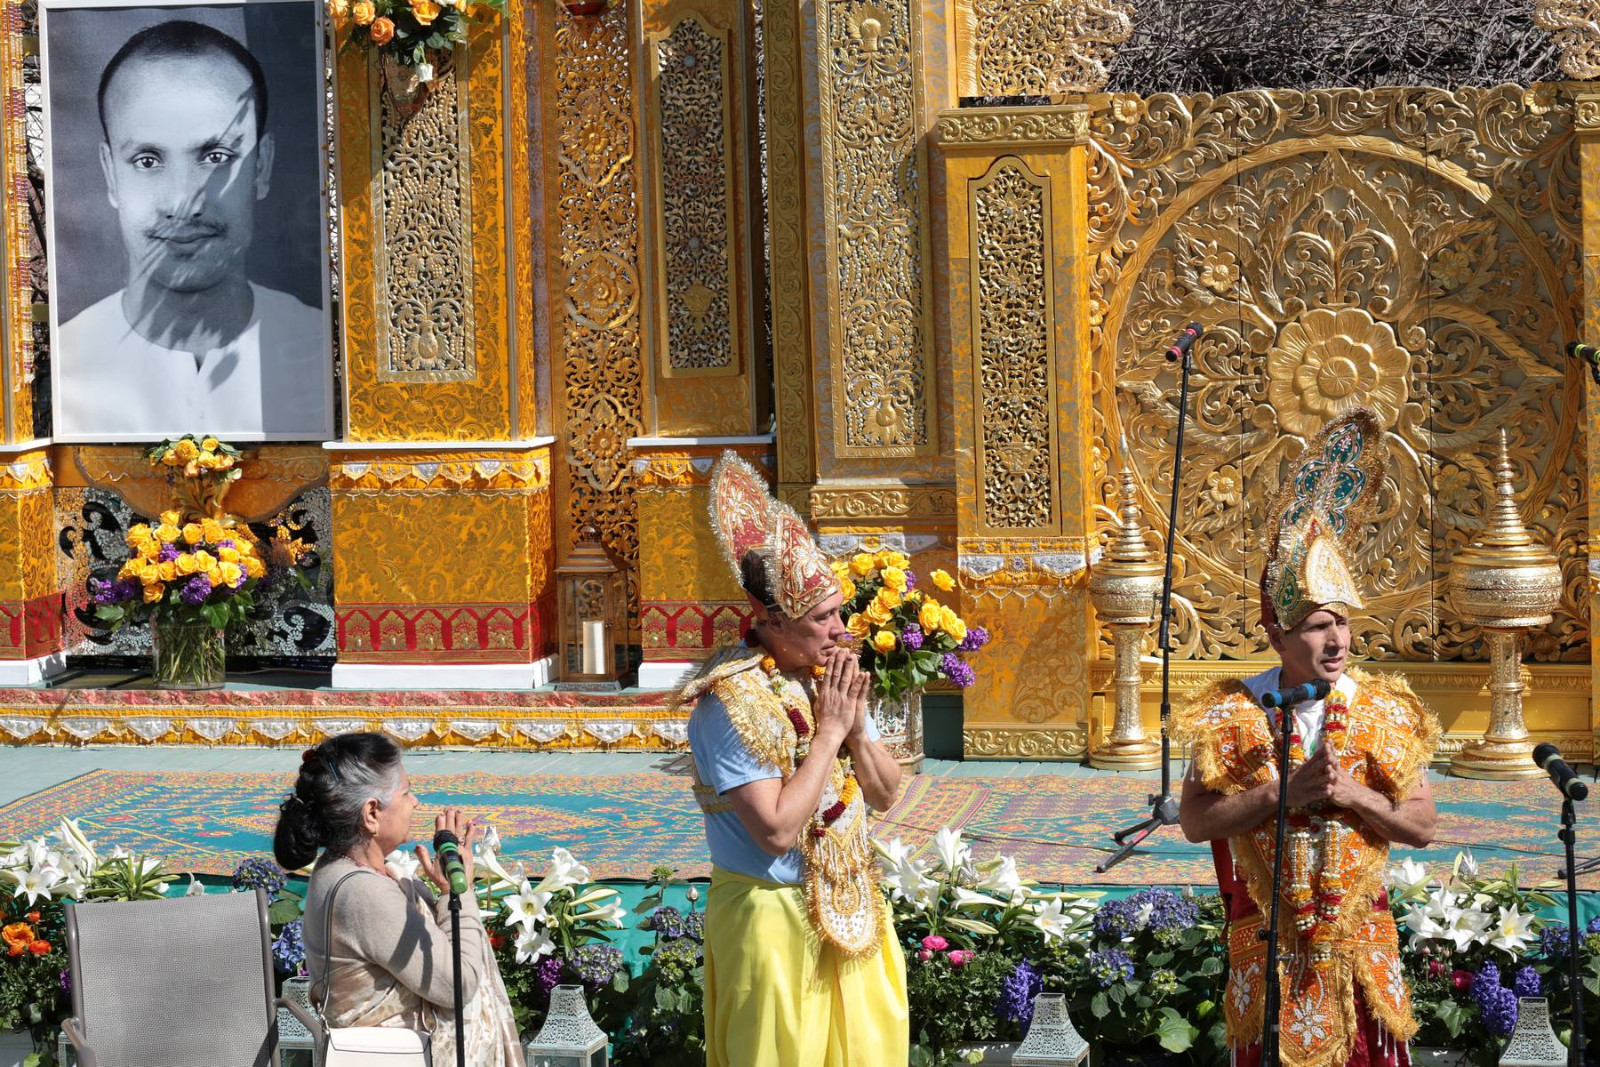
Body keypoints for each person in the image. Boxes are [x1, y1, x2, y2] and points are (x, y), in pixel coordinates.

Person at [1175, 408, 1439, 1067]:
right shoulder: (1232, 712)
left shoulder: (1381, 709)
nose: (1338, 640)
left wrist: (1353, 795)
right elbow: (1195, 821)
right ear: (1278, 635)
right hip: (1268, 950)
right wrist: (1281, 795)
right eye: (1319, 626)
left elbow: (1421, 825)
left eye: (1342, 623)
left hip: (1358, 952)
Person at [679, 452, 908, 1067]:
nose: (841, 629)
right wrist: (829, 734)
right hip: (771, 919)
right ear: (772, 623)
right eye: (822, 617)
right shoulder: (731, 702)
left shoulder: (828, 679)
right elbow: (776, 830)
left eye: (839, 612)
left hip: (853, 904)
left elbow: (886, 794)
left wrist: (855, 731)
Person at [56, 18, 326, 438]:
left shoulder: (322, 349)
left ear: (262, 166)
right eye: (147, 161)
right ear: (110, 175)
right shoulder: (65, 362)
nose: (184, 202)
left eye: (216, 157)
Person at [273, 732, 522, 1067]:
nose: (414, 801)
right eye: (405, 792)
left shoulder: (339, 868)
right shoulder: (364, 893)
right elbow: (457, 984)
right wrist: (456, 892)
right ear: (372, 813)